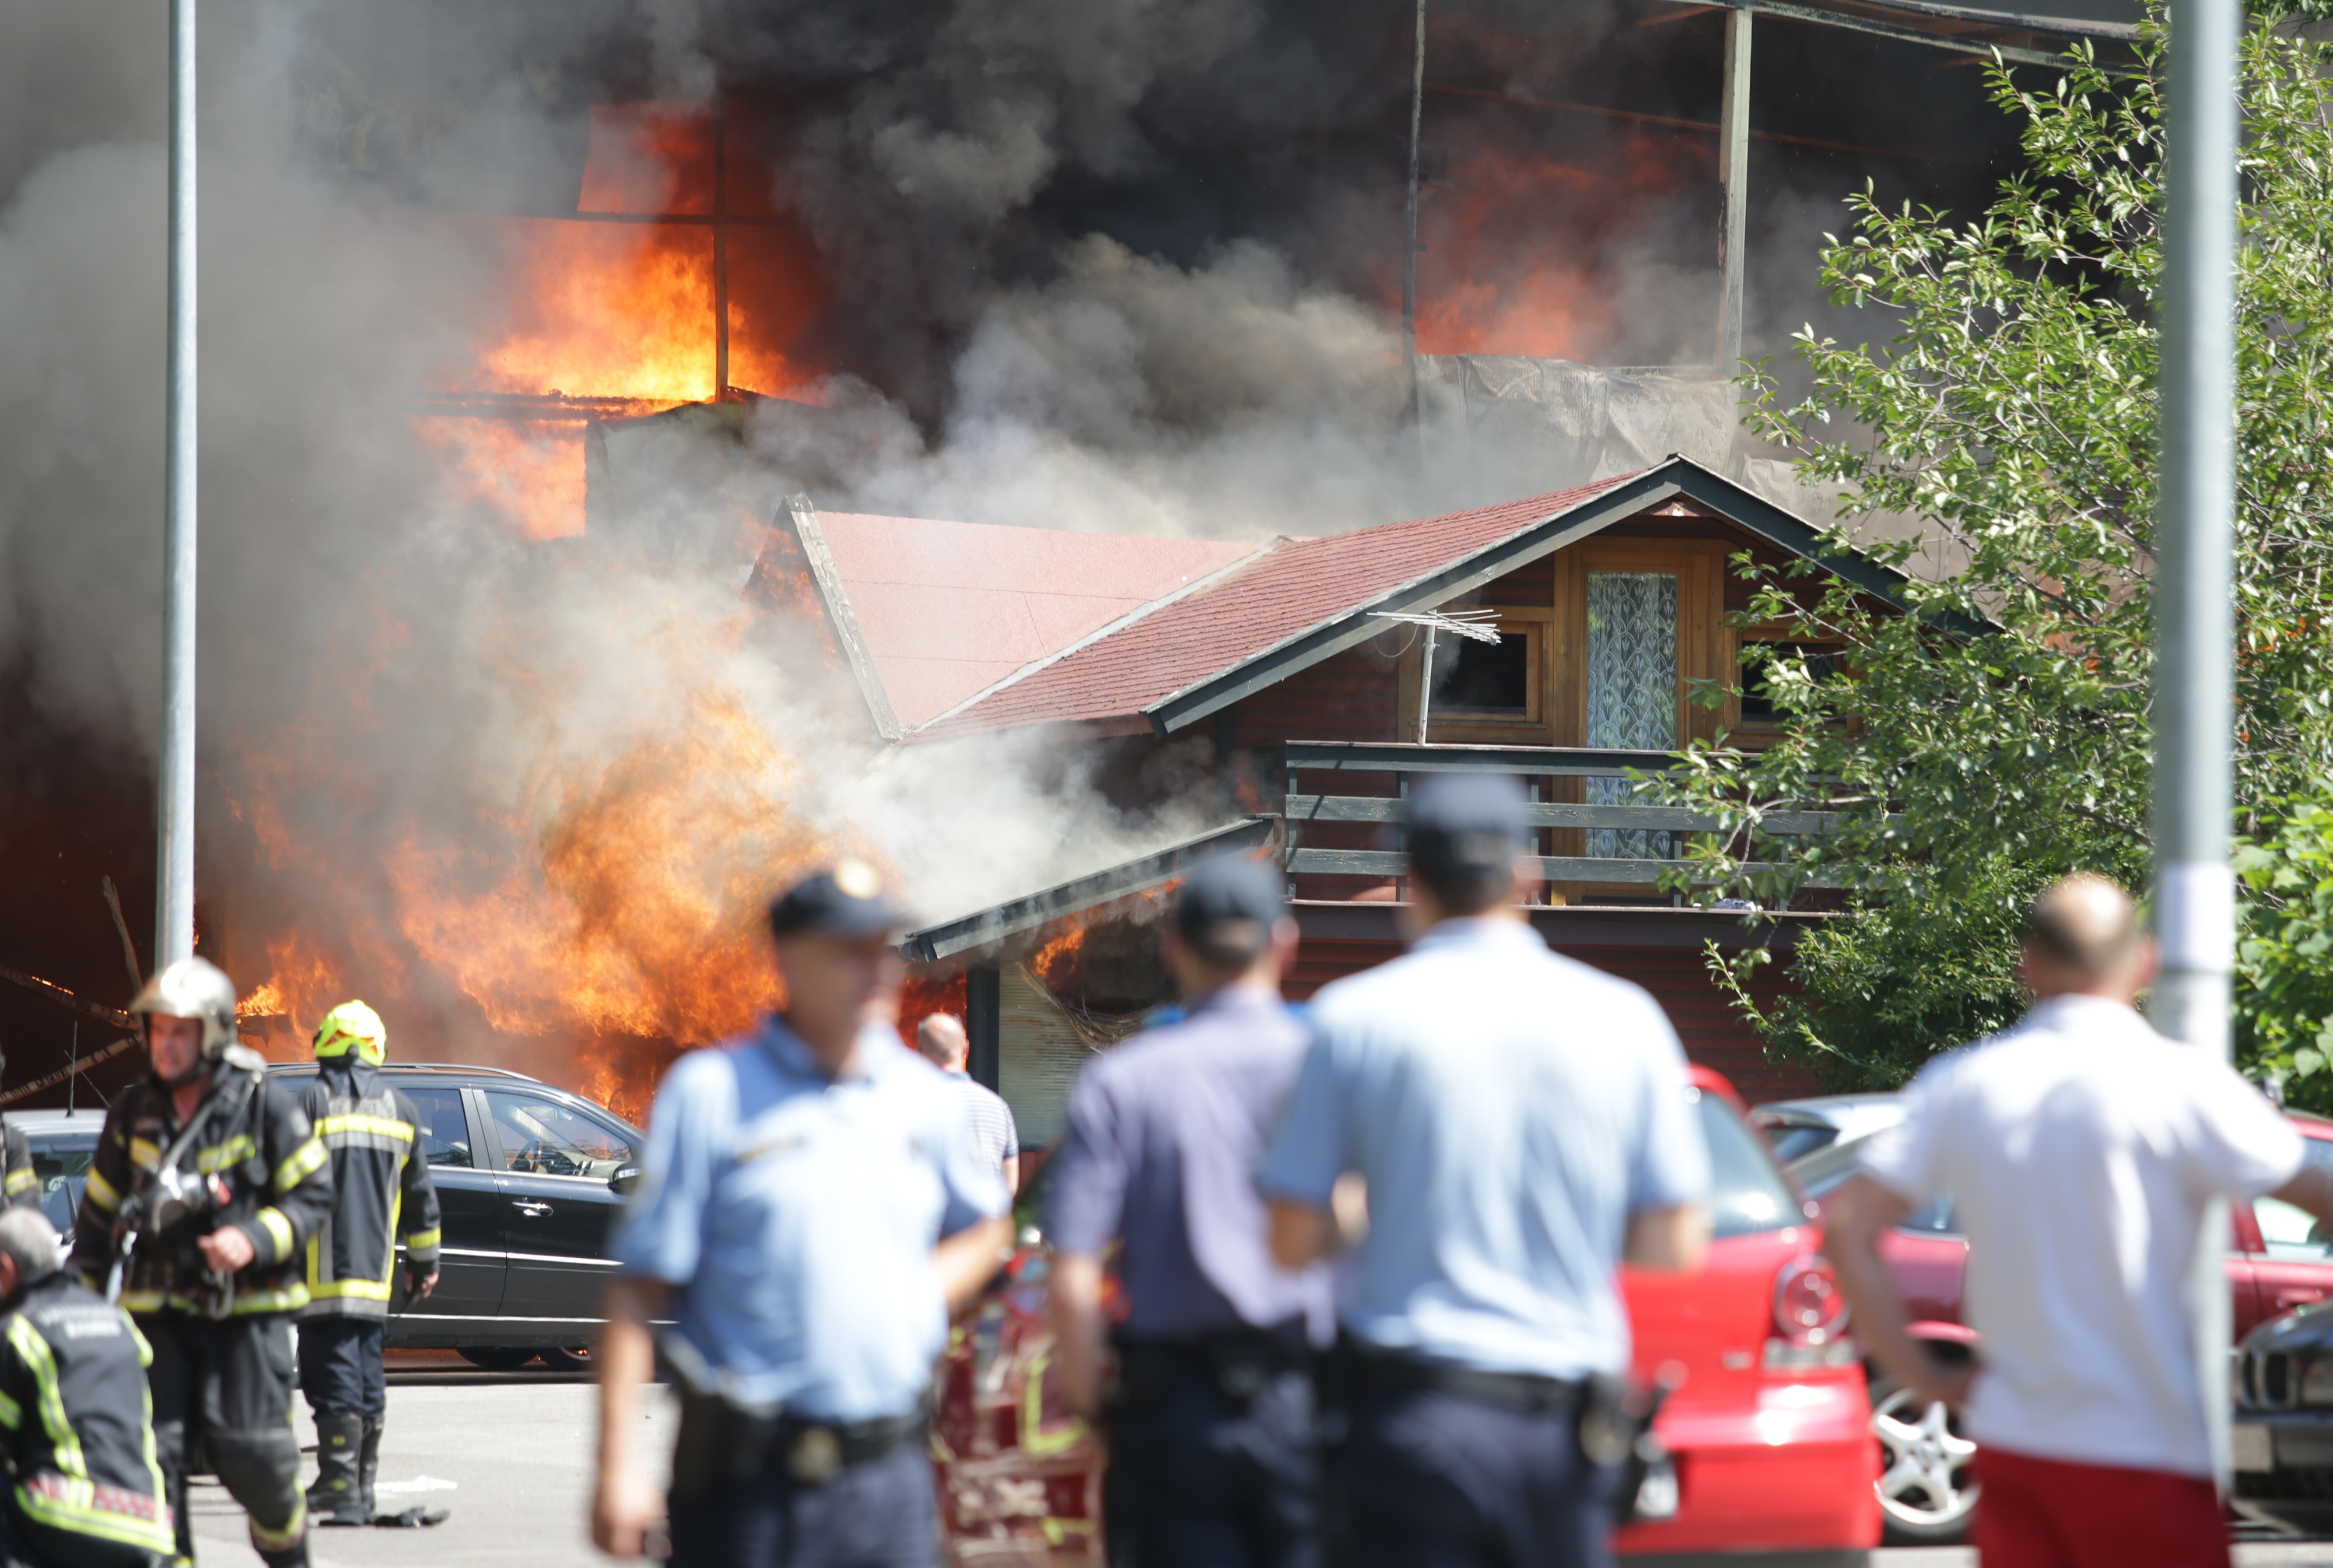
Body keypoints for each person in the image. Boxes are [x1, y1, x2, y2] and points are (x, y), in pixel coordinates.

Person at [1258, 773, 1713, 1568]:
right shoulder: (1624, 1016)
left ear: (1412, 884)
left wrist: (1381, 1208)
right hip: (1565, 1432)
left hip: (1410, 1417)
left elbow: (1291, 1239)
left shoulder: (1352, 1016)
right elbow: (1675, 1243)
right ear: (1527, 876)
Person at [1826, 874, 2333, 1568]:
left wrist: (1922, 1375)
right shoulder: (2185, 1084)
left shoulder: (1962, 1083)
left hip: (2016, 1447)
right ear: (2144, 962)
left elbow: (1847, 1226)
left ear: (2025, 963)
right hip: (2149, 1445)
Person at [592, 860, 1014, 1568]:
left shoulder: (925, 1098)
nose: (876, 970)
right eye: (847, 949)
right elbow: (637, 1291)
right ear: (787, 958)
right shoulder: (712, 1092)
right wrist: (615, 1470)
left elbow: (986, 1228)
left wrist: (917, 1293)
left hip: (891, 1481)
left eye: (881, 948)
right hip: (749, 1486)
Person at [1045, 856, 1333, 1568]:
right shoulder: (1334, 1069)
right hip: (1304, 1407)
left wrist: (1093, 1403)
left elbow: (1071, 1271)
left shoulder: (1121, 1082)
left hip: (1169, 1414)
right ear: (1284, 942)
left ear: (1174, 948)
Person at [69, 956, 333, 1568]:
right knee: (153, 1463)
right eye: (158, 1030)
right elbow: (98, 1226)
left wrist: (254, 1239)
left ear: (212, 1033)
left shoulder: (262, 1106)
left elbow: (315, 1195)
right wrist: (77, 1317)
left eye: (180, 1031)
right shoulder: (133, 1112)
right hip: (157, 1318)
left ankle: (289, 1550)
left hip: (247, 1315)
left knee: (256, 1458)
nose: (165, 1044)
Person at [292, 1001, 444, 1529]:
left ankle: (338, 1483)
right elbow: (422, 1196)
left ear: (326, 1043)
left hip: (318, 1274)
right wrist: (424, 1262)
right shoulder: (403, 1111)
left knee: (329, 1373)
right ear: (377, 1048)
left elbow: (279, 1185)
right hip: (375, 1278)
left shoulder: (309, 1103)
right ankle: (360, 1486)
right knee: (366, 1372)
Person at [0, 1206, 173, 1568]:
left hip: (68, 1517)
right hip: (151, 1524)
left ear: (5, 1269)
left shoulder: (19, 1330)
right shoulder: (118, 1319)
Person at [915, 1013, 1021, 1195]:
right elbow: (1009, 1185)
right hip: (986, 1221)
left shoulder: (906, 1105)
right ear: (966, 1049)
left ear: (919, 1052)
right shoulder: (998, 1107)